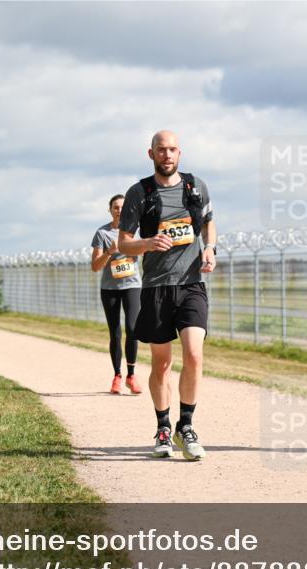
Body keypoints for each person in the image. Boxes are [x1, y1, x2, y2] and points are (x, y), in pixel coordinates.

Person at [118, 130, 216, 461]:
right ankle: (162, 427)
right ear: (151, 154)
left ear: (180, 153)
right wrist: (147, 243)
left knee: (194, 355)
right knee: (162, 363)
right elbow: (123, 242)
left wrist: (211, 249)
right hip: (156, 287)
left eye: (173, 149)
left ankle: (185, 425)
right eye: (162, 150)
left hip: (191, 285)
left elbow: (210, 222)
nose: (168, 155)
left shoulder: (196, 186)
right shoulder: (139, 193)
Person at [91, 194, 143, 395]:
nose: (119, 210)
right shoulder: (102, 233)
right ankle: (117, 376)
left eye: (122, 207)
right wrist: (110, 252)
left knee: (132, 328)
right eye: (115, 207)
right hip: (110, 289)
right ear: (110, 210)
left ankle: (131, 375)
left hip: (132, 285)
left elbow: (146, 252)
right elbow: (95, 266)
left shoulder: (136, 232)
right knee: (115, 332)